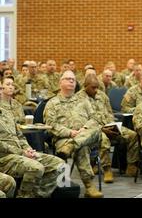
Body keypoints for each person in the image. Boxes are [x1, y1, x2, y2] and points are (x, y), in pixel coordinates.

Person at [44, 70, 103, 198]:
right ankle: (89, 186)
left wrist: (84, 128)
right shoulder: (52, 103)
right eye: (67, 79)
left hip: (84, 136)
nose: (71, 81)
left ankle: (73, 145)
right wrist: (70, 133)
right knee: (82, 147)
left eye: (73, 79)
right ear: (60, 82)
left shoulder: (83, 100)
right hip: (63, 139)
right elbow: (51, 126)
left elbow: (95, 119)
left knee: (97, 130)